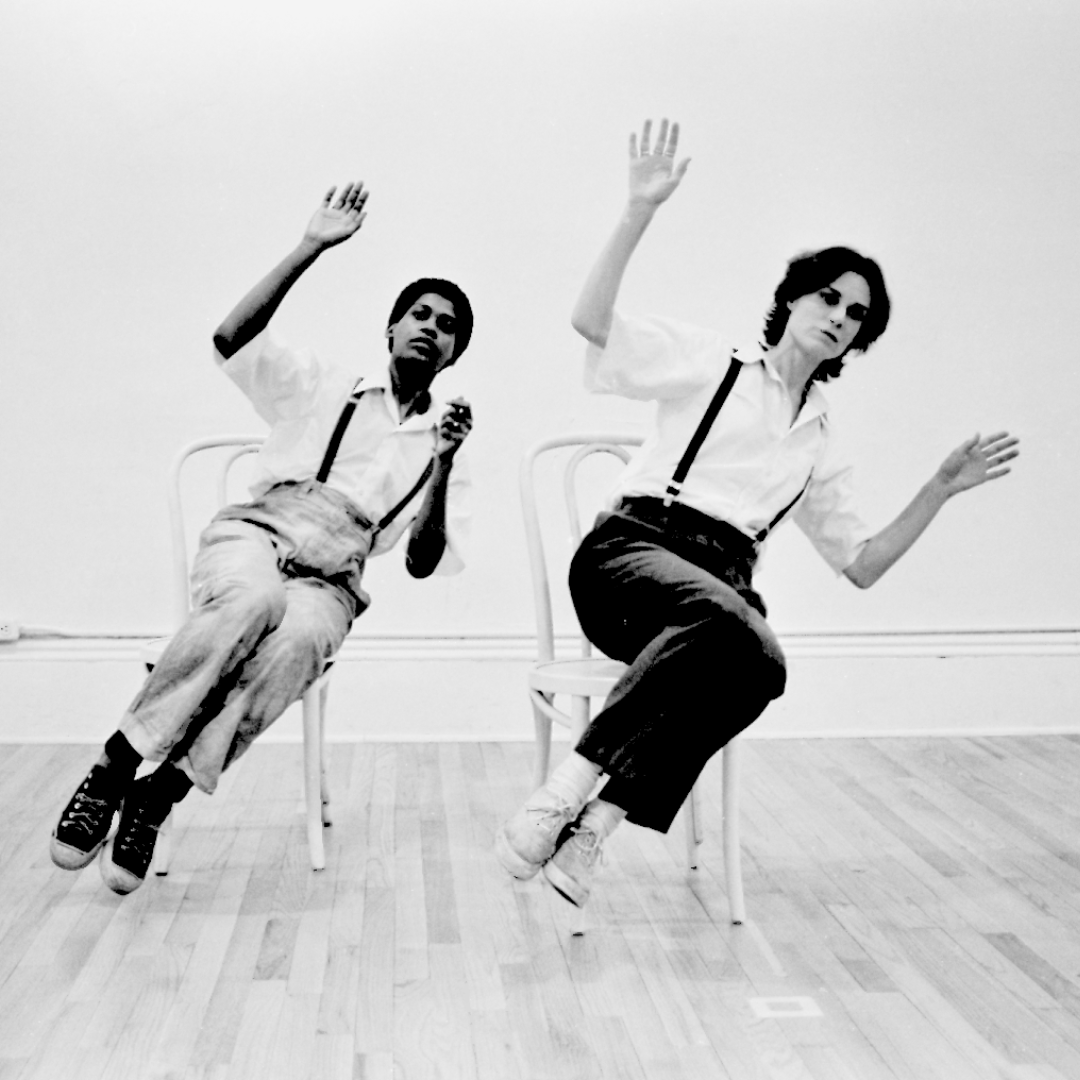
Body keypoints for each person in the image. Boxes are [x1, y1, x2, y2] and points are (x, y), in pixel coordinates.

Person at [495, 119, 1019, 908]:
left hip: (712, 596)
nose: (839, 315)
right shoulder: (714, 362)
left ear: (857, 341)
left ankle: (597, 824)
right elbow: (590, 321)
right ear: (791, 299)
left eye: (856, 314)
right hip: (630, 558)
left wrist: (939, 488)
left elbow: (864, 564)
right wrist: (639, 209)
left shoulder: (818, 443)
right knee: (732, 624)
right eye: (829, 296)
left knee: (763, 664)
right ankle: (565, 786)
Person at [51, 181, 475, 894]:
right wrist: (311, 246)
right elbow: (229, 338)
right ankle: (117, 765)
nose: (430, 327)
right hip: (261, 531)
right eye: (418, 314)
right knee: (250, 603)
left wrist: (445, 462)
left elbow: (424, 561)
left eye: (447, 324)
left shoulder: (444, 441)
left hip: (333, 578)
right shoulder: (327, 383)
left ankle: (159, 798)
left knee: (298, 641)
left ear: (455, 352)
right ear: (392, 329)